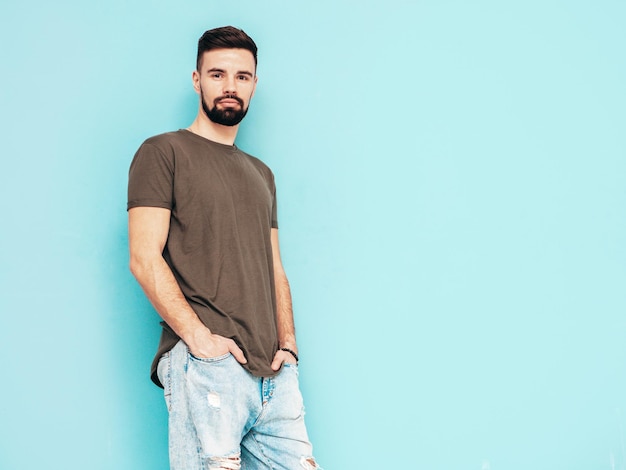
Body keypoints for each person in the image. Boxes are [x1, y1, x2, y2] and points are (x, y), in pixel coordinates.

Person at [127, 26, 320, 470]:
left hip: (273, 374)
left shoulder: (262, 174)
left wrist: (288, 346)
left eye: (242, 77)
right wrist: (198, 339)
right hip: (209, 366)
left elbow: (274, 268)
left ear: (254, 84)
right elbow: (143, 256)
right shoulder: (163, 152)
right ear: (197, 80)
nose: (230, 87)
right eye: (217, 74)